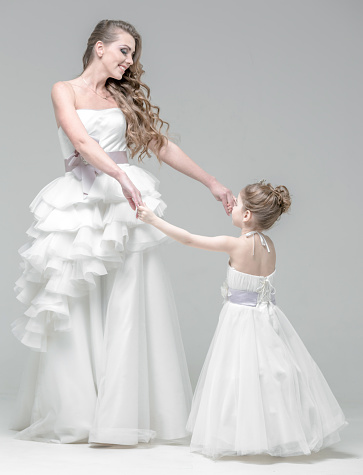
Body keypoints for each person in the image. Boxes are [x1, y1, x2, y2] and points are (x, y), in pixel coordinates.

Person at [11, 19, 234, 445]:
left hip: (123, 203)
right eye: (124, 51)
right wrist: (120, 175)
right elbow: (81, 142)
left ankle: (124, 412)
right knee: (76, 302)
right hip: (81, 200)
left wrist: (211, 182)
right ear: (99, 48)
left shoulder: (120, 95)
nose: (130, 62)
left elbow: (160, 144)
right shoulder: (66, 89)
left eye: (132, 54)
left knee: (131, 297)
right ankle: (78, 411)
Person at [137, 180, 347, 458]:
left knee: (236, 375)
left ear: (246, 215)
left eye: (235, 203)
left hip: (240, 320)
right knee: (272, 375)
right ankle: (278, 432)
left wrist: (152, 219)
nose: (231, 207)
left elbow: (188, 238)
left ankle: (243, 435)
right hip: (269, 318)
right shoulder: (270, 245)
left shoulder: (234, 244)